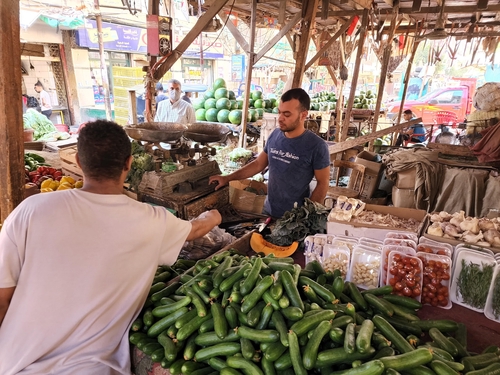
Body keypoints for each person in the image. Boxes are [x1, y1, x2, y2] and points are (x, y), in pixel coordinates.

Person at [0, 120, 221, 374]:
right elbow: (195, 230)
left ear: (79, 163)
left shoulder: (30, 210)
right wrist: (214, 215)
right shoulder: (152, 220)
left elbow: (2, 299)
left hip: (12, 363)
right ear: (128, 163)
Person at [209, 88, 331, 218]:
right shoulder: (275, 135)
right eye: (280, 113)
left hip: (295, 217)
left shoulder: (317, 146)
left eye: (287, 114)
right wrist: (227, 178)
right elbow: (258, 164)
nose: (280, 118)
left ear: (303, 115)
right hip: (268, 211)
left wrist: (307, 216)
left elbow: (323, 183)